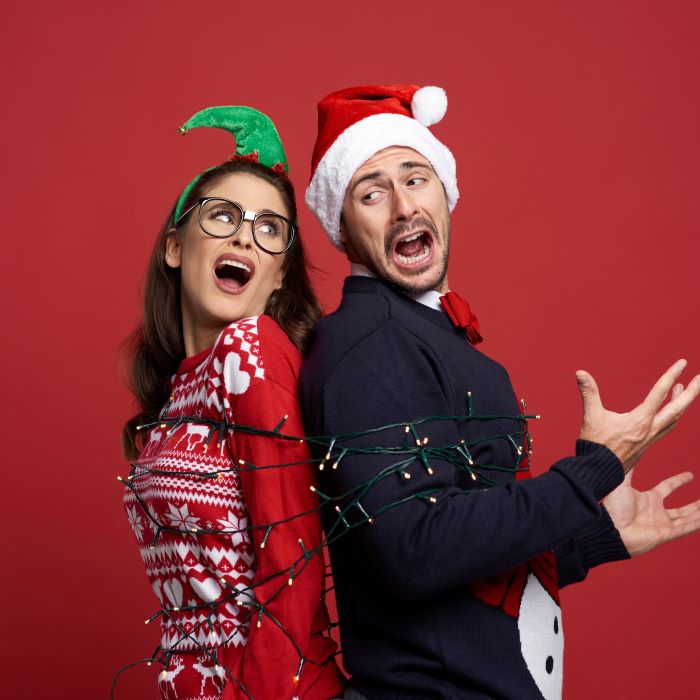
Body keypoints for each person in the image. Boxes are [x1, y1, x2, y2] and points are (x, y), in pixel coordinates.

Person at [299, 84, 700, 700]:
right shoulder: (371, 344)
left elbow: (468, 577)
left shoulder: (429, 335)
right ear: (343, 230)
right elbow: (415, 551)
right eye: (372, 192)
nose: (404, 207)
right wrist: (589, 474)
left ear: (447, 193)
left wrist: (594, 535)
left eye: (416, 177)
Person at [121, 105, 345, 700]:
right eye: (223, 216)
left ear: (277, 276)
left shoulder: (250, 353)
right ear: (175, 246)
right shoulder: (177, 395)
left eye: (269, 227)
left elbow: (291, 568)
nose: (245, 234)